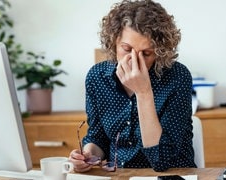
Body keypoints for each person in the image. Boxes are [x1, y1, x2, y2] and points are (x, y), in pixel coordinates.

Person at [69, 0, 196, 172]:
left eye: (146, 53)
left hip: (170, 174)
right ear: (114, 41)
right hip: (120, 175)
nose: (135, 61)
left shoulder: (177, 76)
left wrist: (143, 92)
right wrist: (87, 156)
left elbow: (161, 160)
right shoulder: (97, 77)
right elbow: (98, 138)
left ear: (159, 52)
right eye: (127, 49)